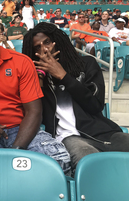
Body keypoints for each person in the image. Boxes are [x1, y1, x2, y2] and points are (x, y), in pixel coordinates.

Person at [0, 12, 71, 174]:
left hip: (21, 129)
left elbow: (34, 111)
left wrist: (17, 151)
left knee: (59, 161)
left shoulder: (21, 62)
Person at [22, 22, 129, 174]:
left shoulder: (86, 64)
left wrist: (64, 77)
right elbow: (33, 115)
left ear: (58, 40)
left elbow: (95, 105)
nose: (44, 49)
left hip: (102, 132)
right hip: (68, 137)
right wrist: (38, 82)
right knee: (89, 162)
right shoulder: (35, 77)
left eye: (47, 42)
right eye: (37, 47)